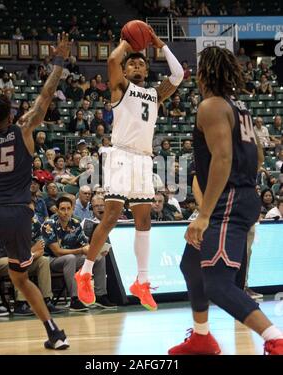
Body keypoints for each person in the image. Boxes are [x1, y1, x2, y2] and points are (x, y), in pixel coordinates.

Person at [168, 46, 283, 356]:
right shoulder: (240, 109)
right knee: (191, 265)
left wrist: (205, 214)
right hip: (240, 196)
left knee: (218, 284)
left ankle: (275, 339)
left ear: (204, 74)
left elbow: (222, 156)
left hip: (227, 202)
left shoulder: (211, 106)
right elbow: (257, 155)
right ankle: (202, 338)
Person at [75, 27, 183, 311]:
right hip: (121, 155)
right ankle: (84, 273)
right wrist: (126, 42)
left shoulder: (155, 94)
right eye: (132, 63)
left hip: (144, 159)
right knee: (110, 217)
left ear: (146, 70)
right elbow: (112, 62)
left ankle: (142, 282)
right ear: (125, 70)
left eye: (141, 63)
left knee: (144, 221)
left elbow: (179, 74)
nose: (137, 65)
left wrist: (159, 44)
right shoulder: (121, 88)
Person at [0, 32, 72, 350]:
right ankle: (54, 333)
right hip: (21, 213)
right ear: (9, 114)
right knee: (21, 277)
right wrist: (59, 60)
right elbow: (47, 94)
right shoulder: (24, 129)